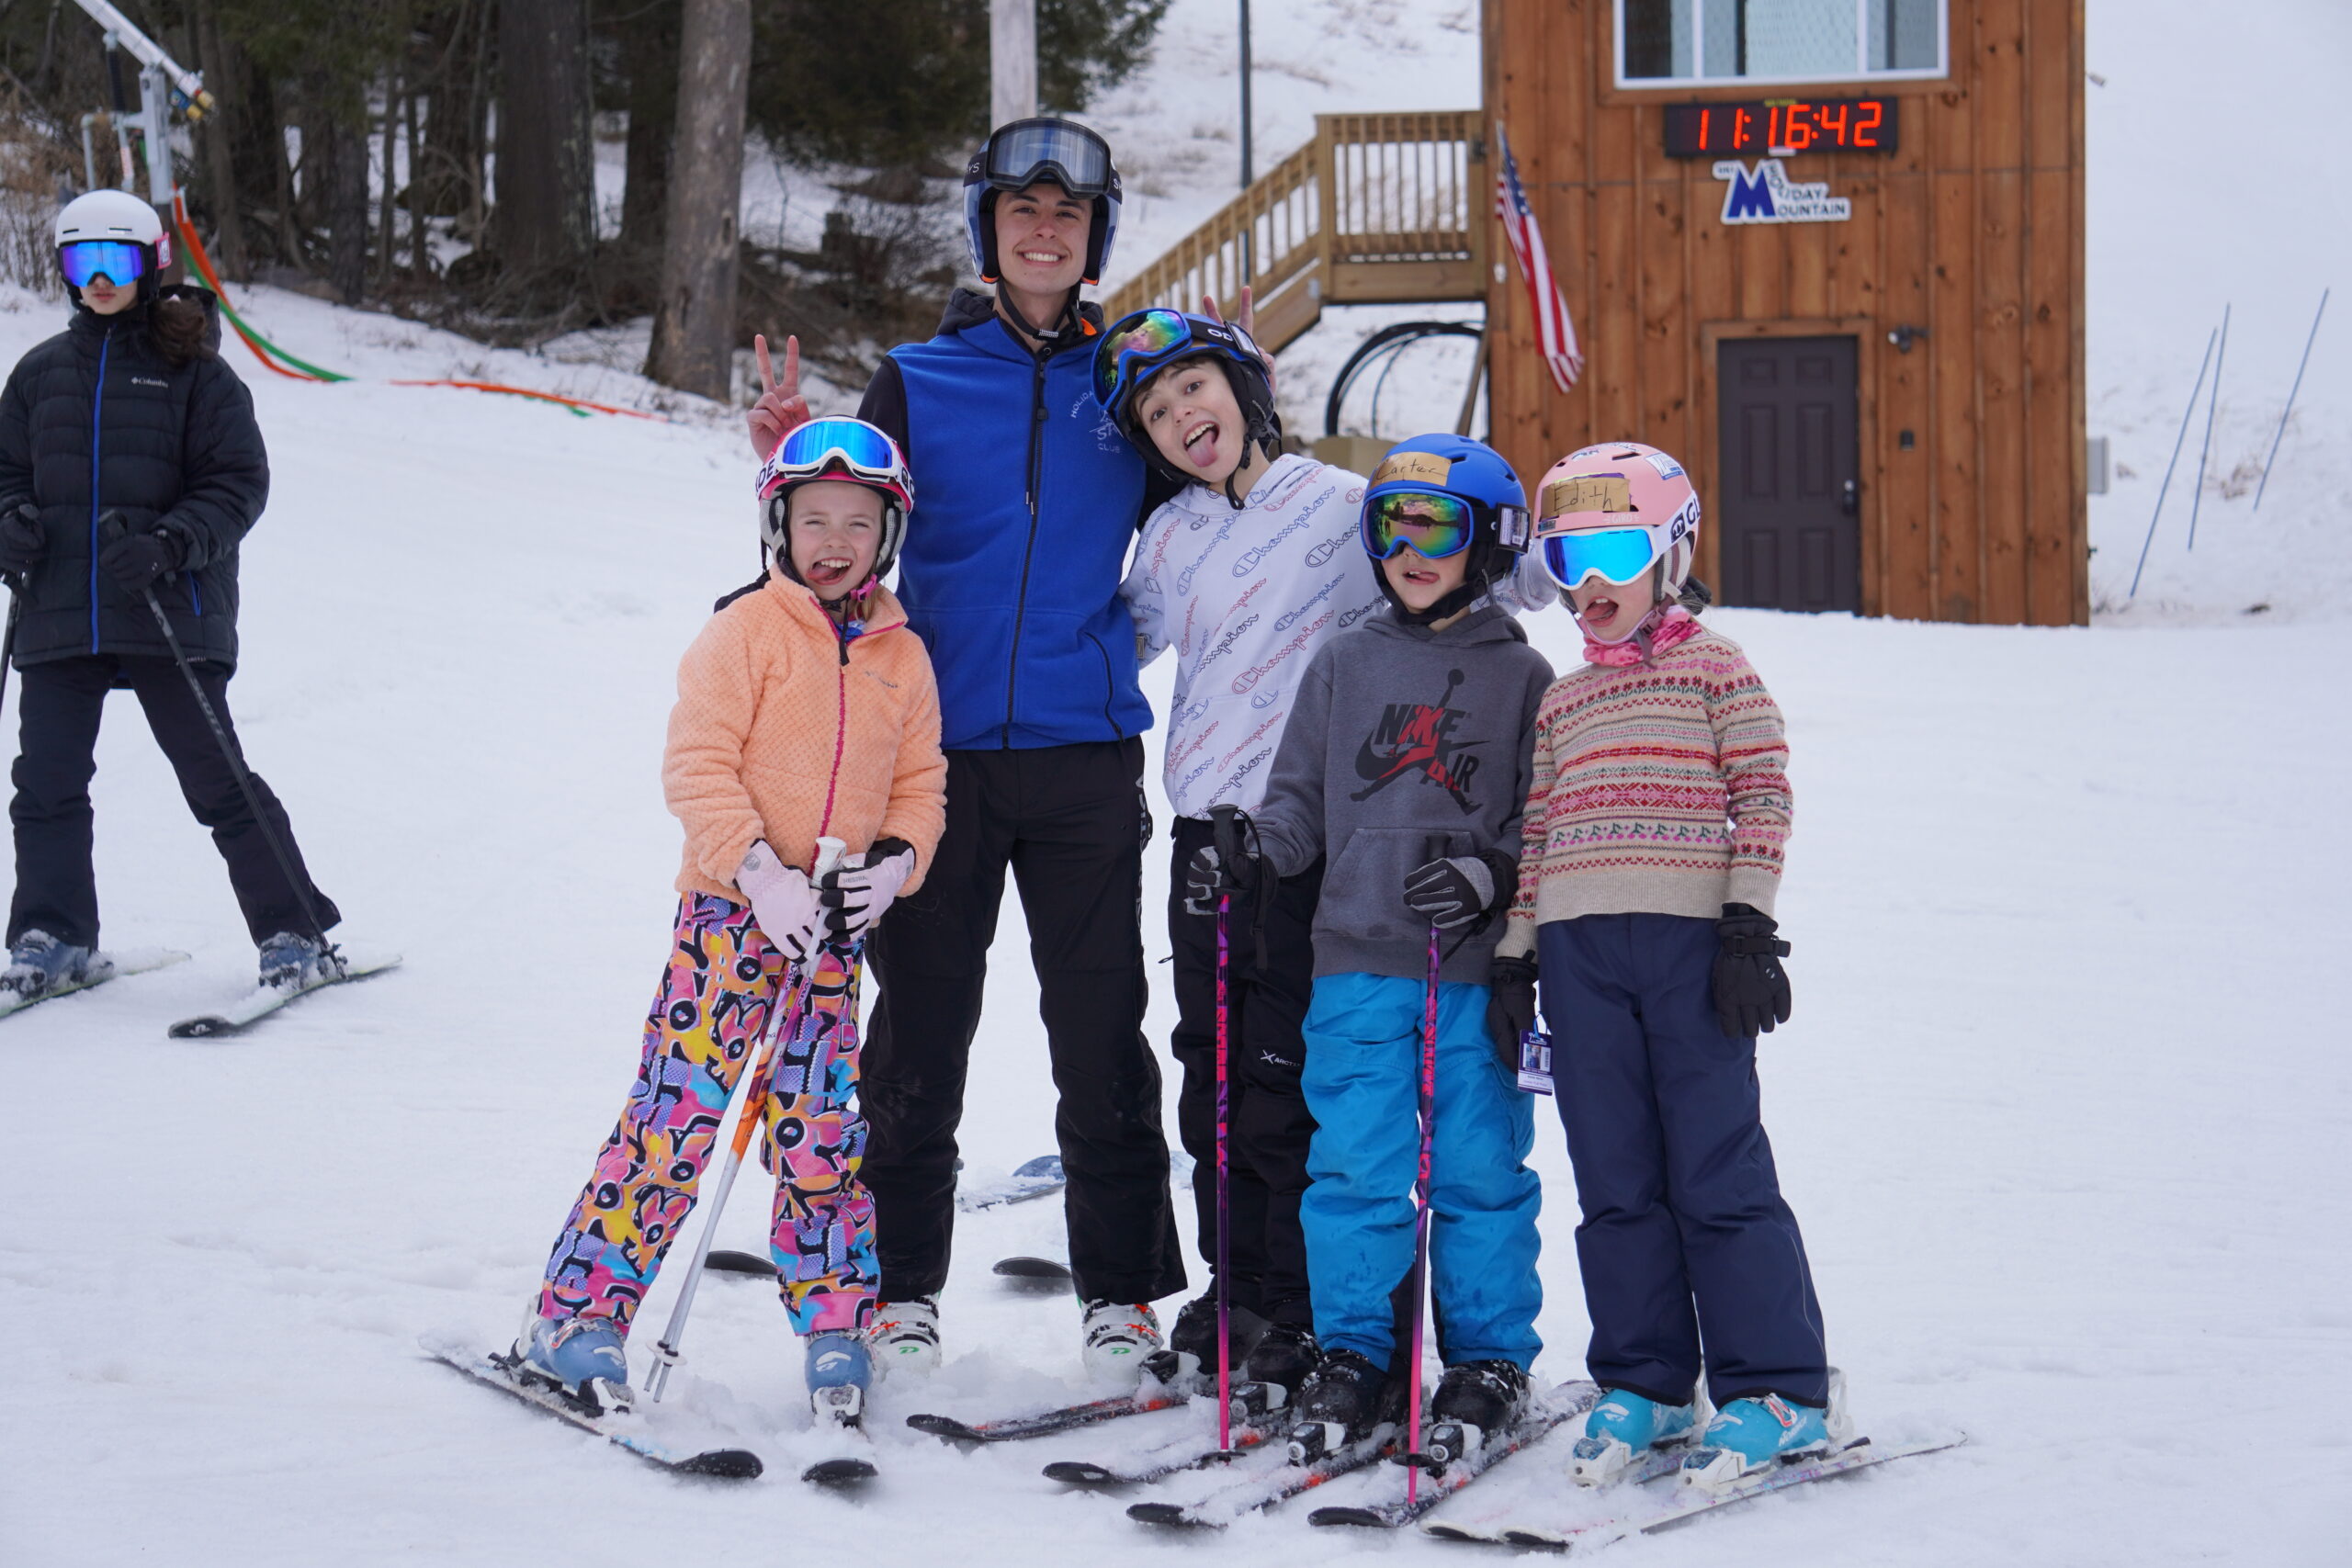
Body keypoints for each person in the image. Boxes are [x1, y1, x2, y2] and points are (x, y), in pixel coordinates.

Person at [748, 118, 1188, 1381]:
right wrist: (782, 459)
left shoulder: (1128, 383)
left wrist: (1232, 391)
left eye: (1066, 215)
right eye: (1020, 212)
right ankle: (899, 1287)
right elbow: (844, 526)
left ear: (1094, 238)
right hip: (931, 763)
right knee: (921, 1024)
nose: (1043, 231)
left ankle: (1121, 1292)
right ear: (989, 231)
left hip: (1086, 753)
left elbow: (1210, 506)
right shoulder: (917, 377)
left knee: (1102, 1020)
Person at [519, 419, 946, 1430]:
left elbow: (921, 788)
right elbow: (697, 765)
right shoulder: (744, 632)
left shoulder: (904, 656)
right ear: (778, 526)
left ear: (887, 534)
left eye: (857, 520)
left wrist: (892, 870)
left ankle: (837, 1322)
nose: (832, 538)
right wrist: (757, 872)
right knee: (675, 1123)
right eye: (812, 520)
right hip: (729, 923)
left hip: (833, 941)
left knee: (821, 1142)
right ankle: (576, 1315)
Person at [1489, 440, 1842, 1489]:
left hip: (1691, 951)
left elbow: (1763, 794)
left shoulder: (1714, 665)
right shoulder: (1561, 701)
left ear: (1670, 553)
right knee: (1615, 1178)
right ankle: (1643, 1380)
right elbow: (1537, 834)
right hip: (1577, 954)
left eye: (1614, 551)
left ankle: (1775, 1387)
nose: (1589, 584)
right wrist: (1516, 958)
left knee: (1713, 1168)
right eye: (1566, 558)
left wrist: (1747, 927)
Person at [1204, 434, 1552, 1452]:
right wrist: (1249, 851)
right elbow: (1299, 805)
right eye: (1390, 523)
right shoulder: (1344, 660)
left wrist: (1490, 875)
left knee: (1479, 1168)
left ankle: (1489, 1356)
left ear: (1486, 542)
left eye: (1436, 526)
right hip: (1352, 959)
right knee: (1354, 1166)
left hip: (1468, 968)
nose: (1410, 545)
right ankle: (1359, 1345)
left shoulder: (1523, 676)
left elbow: (1540, 817)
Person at [1096, 307, 1384, 1398]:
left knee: (1298, 1078)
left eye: (1194, 390)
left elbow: (1468, 579)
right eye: (1158, 413)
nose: (1182, 418)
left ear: (1245, 387)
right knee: (1213, 1077)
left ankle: (1320, 1305)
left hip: (1316, 843)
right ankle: (1241, 1286)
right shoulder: (1169, 536)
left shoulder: (1343, 507)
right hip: (1205, 845)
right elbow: (1111, 646)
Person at [0, 188, 341, 999]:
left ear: (151, 265)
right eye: (84, 261)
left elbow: (237, 484)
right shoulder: (39, 373)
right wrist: (10, 521)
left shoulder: (197, 374)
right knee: (45, 782)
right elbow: (7, 472)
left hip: (166, 607)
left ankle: (294, 929)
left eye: (118, 260)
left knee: (215, 777)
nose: (101, 278)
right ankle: (53, 933)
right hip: (57, 606)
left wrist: (170, 544)